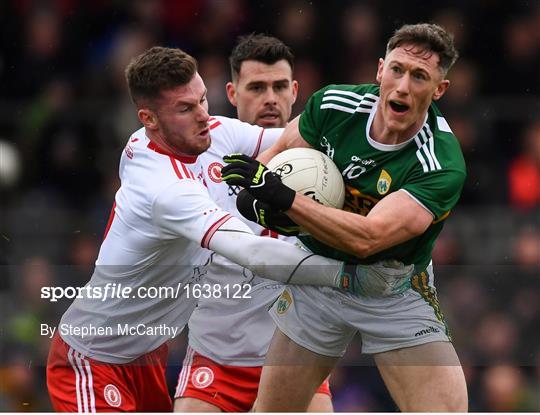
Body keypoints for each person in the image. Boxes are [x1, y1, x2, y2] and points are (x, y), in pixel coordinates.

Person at [45, 46, 401, 412]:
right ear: (148, 118)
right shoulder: (164, 188)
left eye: (203, 100)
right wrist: (348, 274)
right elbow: (252, 252)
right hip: (93, 356)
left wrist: (381, 104)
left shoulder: (209, 133)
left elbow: (297, 136)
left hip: (147, 351)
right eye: (186, 109)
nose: (204, 117)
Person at [222, 23, 468, 412]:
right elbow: (278, 154)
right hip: (318, 279)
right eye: (397, 70)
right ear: (379, 70)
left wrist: (284, 198)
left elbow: (367, 238)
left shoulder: (441, 163)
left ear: (439, 90)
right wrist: (253, 195)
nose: (403, 86)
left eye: (419, 76)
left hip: (392, 289)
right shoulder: (334, 105)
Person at [173, 34, 332, 413]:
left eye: (279, 87)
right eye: (256, 87)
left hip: (296, 364)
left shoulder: (327, 164)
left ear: (295, 91)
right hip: (216, 361)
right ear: (231, 92)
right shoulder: (198, 156)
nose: (270, 98)